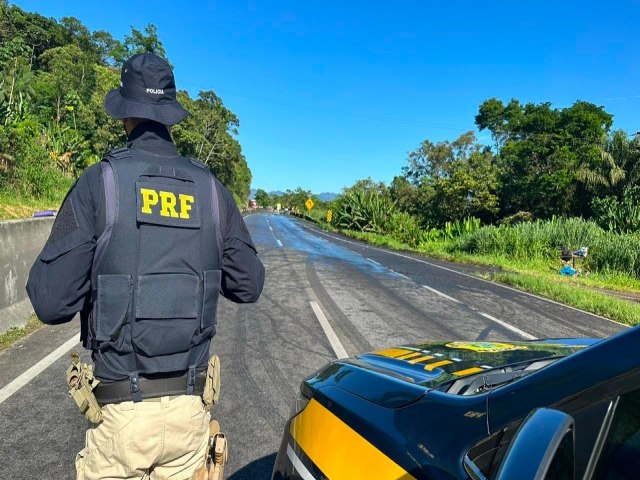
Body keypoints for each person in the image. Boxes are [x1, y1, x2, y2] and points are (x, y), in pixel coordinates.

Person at [26, 52, 265, 480]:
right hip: (191, 417)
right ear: (170, 116)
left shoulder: (101, 183)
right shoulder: (212, 192)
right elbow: (249, 284)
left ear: (125, 115)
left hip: (120, 418)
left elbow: (50, 302)